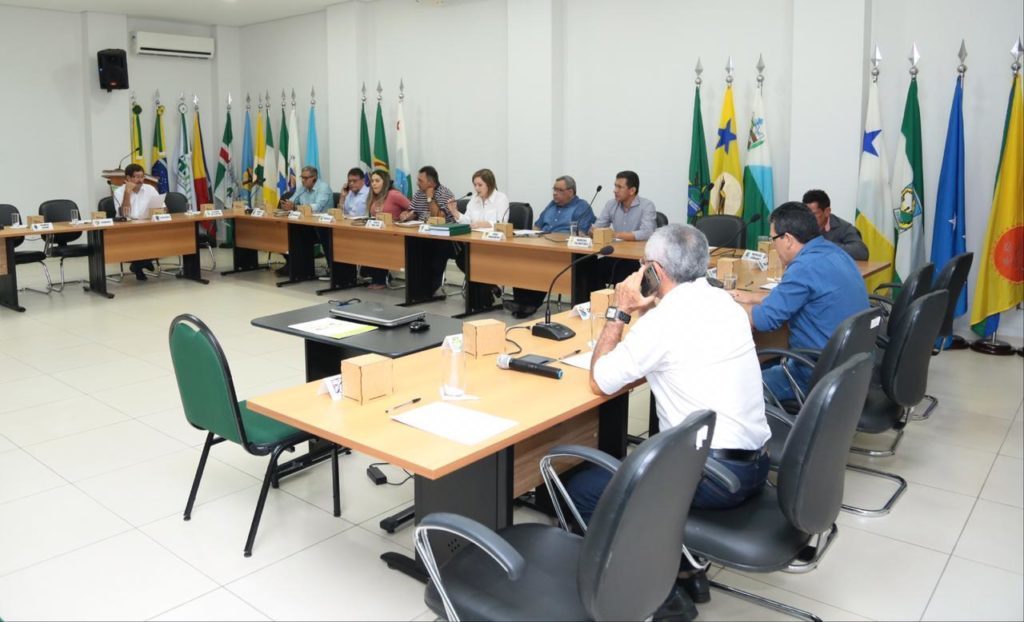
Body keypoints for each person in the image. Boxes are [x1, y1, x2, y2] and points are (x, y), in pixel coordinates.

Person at [566, 223, 771, 618]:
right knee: (637, 471)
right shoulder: (726, 303)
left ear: (655, 272)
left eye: (644, 265)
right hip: (753, 464)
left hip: (713, 478)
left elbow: (599, 380)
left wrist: (620, 311)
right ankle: (684, 569)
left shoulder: (663, 324)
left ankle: (650, 591)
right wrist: (649, 306)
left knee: (584, 490)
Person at [730, 202, 869, 402]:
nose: (773, 246)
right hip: (850, 368)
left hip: (814, 373)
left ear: (787, 239)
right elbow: (801, 295)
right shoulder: (834, 252)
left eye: (773, 239)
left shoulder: (804, 267)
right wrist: (752, 297)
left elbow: (763, 320)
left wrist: (724, 302)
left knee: (737, 387)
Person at [507, 175, 596, 318]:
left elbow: (581, 234)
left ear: (570, 192)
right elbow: (537, 225)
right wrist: (531, 238)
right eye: (554, 189)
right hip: (544, 245)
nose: (555, 193)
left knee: (543, 263)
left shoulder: (582, 207)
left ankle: (530, 304)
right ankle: (521, 301)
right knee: (522, 258)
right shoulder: (551, 205)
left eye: (559, 190)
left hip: (565, 251)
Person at [588, 170, 657, 291]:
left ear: (632, 190)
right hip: (615, 255)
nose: (615, 190)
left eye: (620, 187)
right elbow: (599, 226)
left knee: (623, 273)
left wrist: (615, 235)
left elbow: (647, 232)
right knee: (589, 268)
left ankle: (620, 303)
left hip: (636, 260)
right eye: (615, 186)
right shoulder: (611, 204)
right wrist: (593, 231)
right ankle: (598, 301)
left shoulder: (647, 206)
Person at [276, 166, 334, 277]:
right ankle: (294, 265)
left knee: (297, 233)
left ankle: (302, 267)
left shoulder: (323, 188)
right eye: (302, 177)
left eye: (306, 178)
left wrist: (295, 207)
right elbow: (292, 200)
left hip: (323, 227)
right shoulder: (302, 188)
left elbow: (317, 207)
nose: (303, 180)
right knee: (287, 231)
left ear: (314, 178)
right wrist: (287, 205)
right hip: (306, 225)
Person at [409, 166, 457, 295]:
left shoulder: (445, 194)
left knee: (433, 249)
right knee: (411, 245)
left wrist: (430, 198)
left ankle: (429, 289)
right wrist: (406, 215)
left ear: (431, 183)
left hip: (443, 238)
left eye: (420, 181)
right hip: (422, 234)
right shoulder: (418, 193)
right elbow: (413, 212)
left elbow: (439, 218)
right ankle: (416, 287)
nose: (417, 183)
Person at [364, 169, 412, 289]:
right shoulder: (374, 196)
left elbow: (413, 208)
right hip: (379, 232)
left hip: (394, 234)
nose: (374, 184)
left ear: (385, 182)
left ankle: (380, 280)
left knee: (377, 244)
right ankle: (379, 277)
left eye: (377, 181)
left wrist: (406, 214)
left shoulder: (393, 194)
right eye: (372, 181)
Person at [113, 163, 160, 280]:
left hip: (149, 226)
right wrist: (127, 192)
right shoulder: (119, 192)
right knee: (138, 236)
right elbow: (123, 214)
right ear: (128, 178)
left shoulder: (150, 189)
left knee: (159, 235)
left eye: (142, 177)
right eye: (137, 177)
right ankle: (143, 262)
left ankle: (139, 265)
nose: (140, 180)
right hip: (127, 228)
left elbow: (162, 208)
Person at [802, 189, 869, 260]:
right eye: (806, 213)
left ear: (827, 212)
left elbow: (862, 252)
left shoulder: (844, 228)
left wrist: (826, 246)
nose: (808, 217)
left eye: (814, 214)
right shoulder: (800, 226)